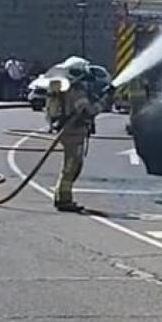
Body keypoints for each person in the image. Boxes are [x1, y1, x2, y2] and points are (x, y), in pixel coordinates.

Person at [50, 57, 99, 213]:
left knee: (69, 166)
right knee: (72, 166)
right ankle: (64, 199)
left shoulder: (62, 88)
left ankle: (61, 196)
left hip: (67, 131)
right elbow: (89, 111)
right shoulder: (75, 90)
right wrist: (104, 100)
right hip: (74, 132)